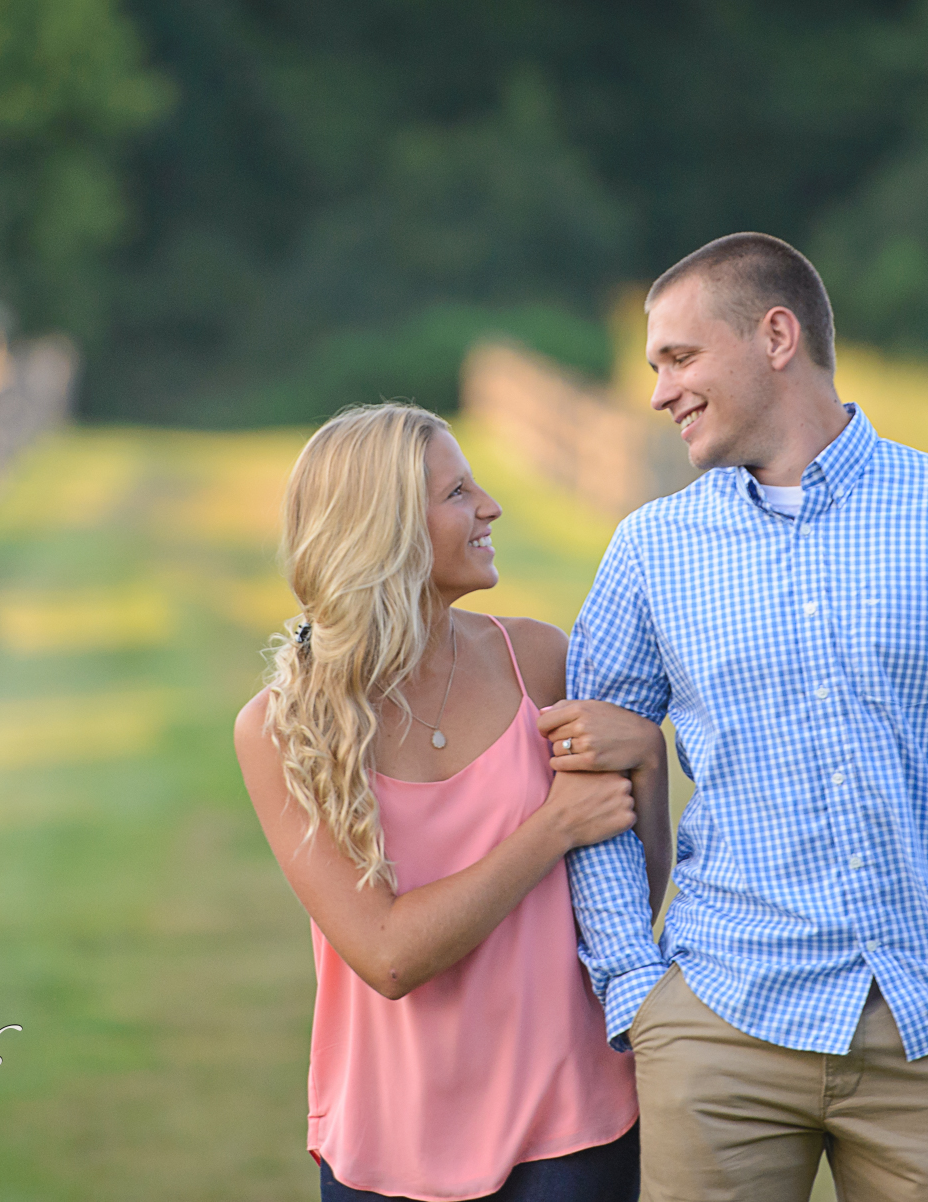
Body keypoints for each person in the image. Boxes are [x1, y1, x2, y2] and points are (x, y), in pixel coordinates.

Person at [544, 233, 928, 1201]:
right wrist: (633, 981)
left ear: (777, 335)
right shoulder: (650, 549)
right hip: (718, 1021)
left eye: (679, 357)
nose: (660, 391)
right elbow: (589, 764)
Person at [233, 403, 672, 1202]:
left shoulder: (537, 660)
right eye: (458, 493)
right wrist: (550, 831)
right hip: (388, 1139)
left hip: (574, 1117)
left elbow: (625, 894)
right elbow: (389, 955)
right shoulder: (279, 729)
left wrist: (650, 763)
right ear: (389, 529)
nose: (490, 506)